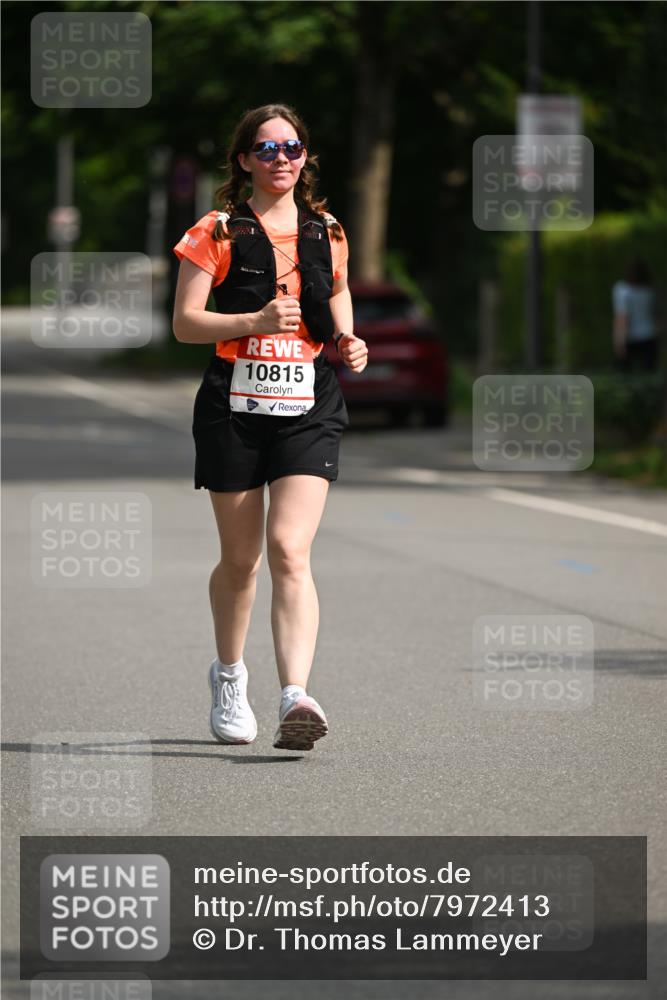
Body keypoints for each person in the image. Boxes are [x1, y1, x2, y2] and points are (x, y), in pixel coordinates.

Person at [172, 104, 368, 752]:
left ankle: (295, 696)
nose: (280, 158)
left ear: (304, 157)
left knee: (289, 548)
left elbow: (335, 291)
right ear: (243, 160)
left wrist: (346, 335)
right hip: (234, 406)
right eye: (266, 148)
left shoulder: (327, 230)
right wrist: (250, 324)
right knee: (241, 559)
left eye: (291, 147)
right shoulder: (216, 231)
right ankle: (229, 677)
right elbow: (184, 322)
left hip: (308, 403)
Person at [612, 257, 658, 372]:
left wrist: (619, 341)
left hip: (629, 338)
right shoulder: (649, 291)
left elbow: (622, 318)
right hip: (649, 336)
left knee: (626, 376)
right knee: (648, 373)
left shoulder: (622, 290)